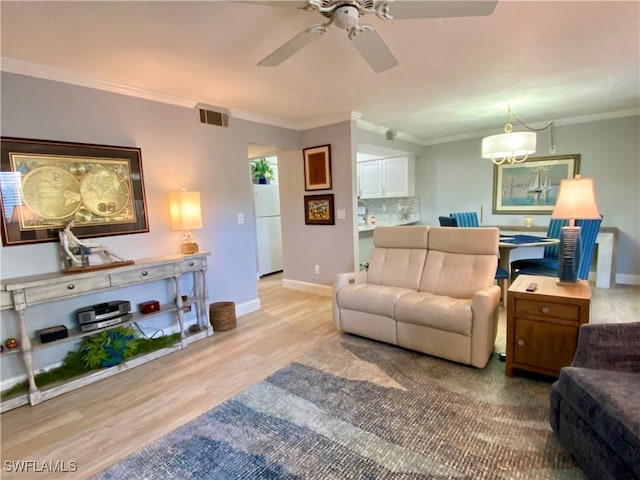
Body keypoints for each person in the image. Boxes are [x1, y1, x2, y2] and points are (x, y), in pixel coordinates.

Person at [59, 220, 126, 267]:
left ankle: (113, 260)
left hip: (81, 248)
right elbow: (67, 249)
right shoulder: (65, 234)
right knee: (106, 248)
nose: (73, 224)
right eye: (73, 223)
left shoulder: (69, 233)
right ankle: (122, 259)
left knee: (103, 246)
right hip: (80, 250)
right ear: (70, 223)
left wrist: (92, 244)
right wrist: (75, 260)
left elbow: (80, 243)